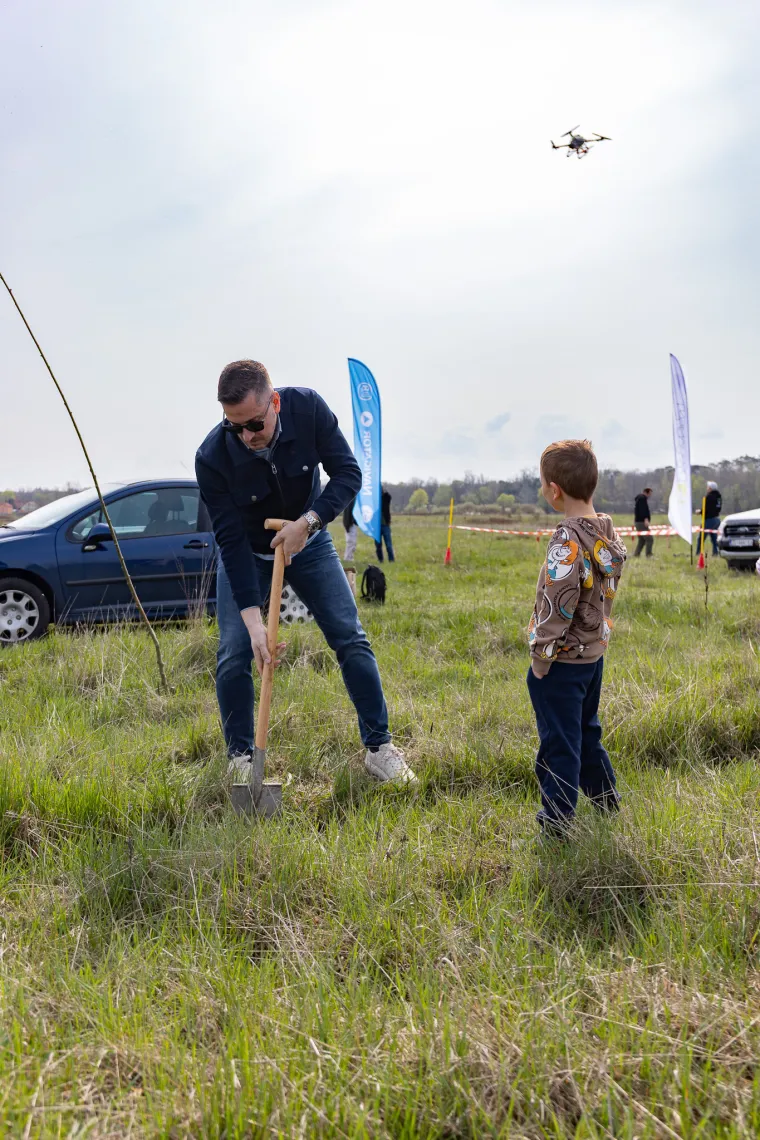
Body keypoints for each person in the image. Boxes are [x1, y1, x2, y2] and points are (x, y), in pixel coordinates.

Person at [195, 360, 417, 785]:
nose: (246, 436)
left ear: (275, 403)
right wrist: (254, 623)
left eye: (254, 424)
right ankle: (241, 759)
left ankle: (380, 749)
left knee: (350, 636)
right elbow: (229, 539)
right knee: (234, 652)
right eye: (234, 426)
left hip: (310, 543)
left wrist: (309, 524)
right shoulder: (212, 457)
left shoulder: (308, 410)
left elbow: (348, 473)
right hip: (249, 554)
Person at [526, 439, 627, 837]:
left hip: (562, 663)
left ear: (555, 490)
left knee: (559, 744)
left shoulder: (567, 541)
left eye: (542, 484)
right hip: (592, 657)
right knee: (586, 733)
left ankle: (556, 824)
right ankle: (606, 802)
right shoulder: (605, 534)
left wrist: (541, 658)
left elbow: (558, 603)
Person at [696, 480, 722, 556]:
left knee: (701, 538)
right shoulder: (719, 497)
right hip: (717, 520)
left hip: (709, 520)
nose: (707, 488)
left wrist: (700, 511)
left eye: (708, 487)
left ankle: (698, 553)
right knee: (714, 538)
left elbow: (706, 509)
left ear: (710, 488)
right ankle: (716, 553)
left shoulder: (709, 497)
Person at [633, 486, 653, 558]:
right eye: (649, 494)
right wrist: (646, 519)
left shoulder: (639, 499)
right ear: (646, 492)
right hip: (642, 522)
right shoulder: (642, 499)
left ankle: (636, 555)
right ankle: (649, 555)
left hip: (638, 522)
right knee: (649, 539)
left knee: (642, 540)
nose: (650, 496)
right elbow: (643, 510)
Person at [375, 487, 395, 562]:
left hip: (385, 525)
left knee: (388, 545)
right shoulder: (374, 500)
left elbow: (389, 496)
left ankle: (391, 560)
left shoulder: (386, 499)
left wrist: (384, 491)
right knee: (378, 545)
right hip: (376, 526)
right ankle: (380, 560)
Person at [343, 496, 358, 562]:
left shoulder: (351, 500)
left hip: (351, 524)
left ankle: (350, 557)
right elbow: (347, 516)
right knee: (351, 542)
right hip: (349, 525)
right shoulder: (350, 501)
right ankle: (348, 558)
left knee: (353, 542)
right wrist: (347, 526)